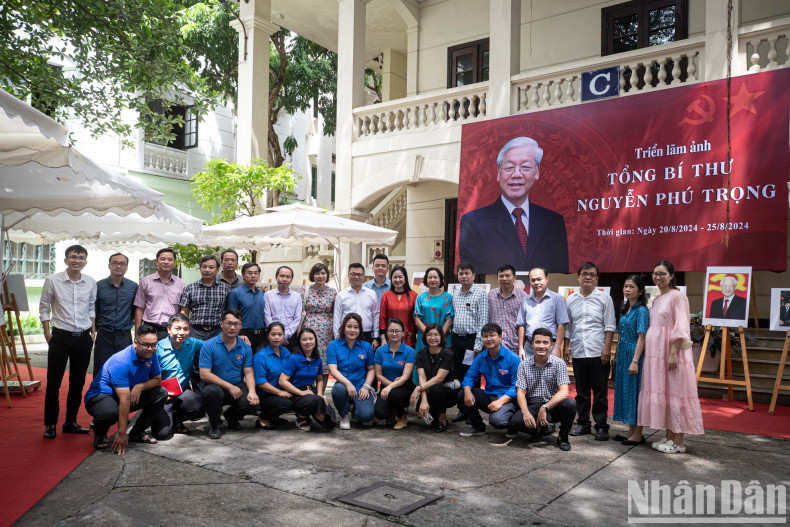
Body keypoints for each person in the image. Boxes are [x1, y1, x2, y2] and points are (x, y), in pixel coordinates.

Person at [458, 136, 569, 274]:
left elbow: (561, 270)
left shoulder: (553, 221)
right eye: (509, 167)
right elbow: (473, 273)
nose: (516, 174)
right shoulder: (473, 222)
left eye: (525, 167)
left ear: (537, 171)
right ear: (499, 172)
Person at [639, 260, 704, 454]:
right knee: (666, 393)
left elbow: (682, 327)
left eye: (662, 274)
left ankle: (679, 441)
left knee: (676, 392)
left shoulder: (678, 296)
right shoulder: (658, 298)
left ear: (671, 275)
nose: (658, 277)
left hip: (671, 353)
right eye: (655, 273)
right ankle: (669, 436)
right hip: (656, 355)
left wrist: (673, 353)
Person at [40, 244, 96, 440]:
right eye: (73, 257)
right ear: (65, 260)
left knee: (77, 383)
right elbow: (44, 307)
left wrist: (93, 331)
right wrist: (47, 334)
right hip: (60, 337)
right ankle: (50, 424)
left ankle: (70, 422)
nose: (77, 260)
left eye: (81, 257)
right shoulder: (52, 280)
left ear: (85, 262)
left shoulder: (90, 282)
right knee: (54, 383)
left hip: (83, 338)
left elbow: (91, 308)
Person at [84, 323, 167, 452]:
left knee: (161, 393)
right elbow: (125, 399)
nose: (150, 348)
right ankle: (100, 434)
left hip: (127, 394)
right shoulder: (121, 361)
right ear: (135, 342)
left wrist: (140, 386)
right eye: (146, 344)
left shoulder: (151, 354)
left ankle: (137, 432)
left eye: (154, 344)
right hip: (102, 396)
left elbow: (157, 380)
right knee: (109, 413)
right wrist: (121, 433)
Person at [565, 262, 616, 441]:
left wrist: (607, 348)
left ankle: (601, 426)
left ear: (597, 279)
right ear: (578, 277)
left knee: (600, 392)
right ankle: (583, 423)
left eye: (592, 275)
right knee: (582, 391)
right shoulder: (571, 299)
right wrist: (566, 348)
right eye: (584, 274)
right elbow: (568, 327)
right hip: (578, 351)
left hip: (598, 351)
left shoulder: (604, 299)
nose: (588, 277)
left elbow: (609, 325)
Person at [509, 328, 575, 451]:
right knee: (516, 421)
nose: (541, 346)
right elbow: (521, 392)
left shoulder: (559, 363)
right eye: (537, 342)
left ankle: (563, 437)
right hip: (533, 404)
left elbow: (564, 392)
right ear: (532, 344)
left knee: (570, 404)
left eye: (545, 343)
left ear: (551, 345)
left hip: (553, 405)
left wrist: (545, 407)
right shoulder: (524, 365)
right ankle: (538, 432)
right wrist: (525, 413)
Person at [199, 309, 259, 439]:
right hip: (215, 385)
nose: (232, 327)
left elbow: (248, 372)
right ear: (221, 324)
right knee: (211, 393)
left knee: (253, 403)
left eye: (236, 324)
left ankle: (231, 416)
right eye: (229, 323)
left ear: (241, 326)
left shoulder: (245, 347)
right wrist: (229, 386)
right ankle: (215, 424)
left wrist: (252, 391)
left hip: (237, 384)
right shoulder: (209, 345)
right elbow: (204, 375)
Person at [457, 323, 520, 437]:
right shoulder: (481, 357)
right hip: (489, 395)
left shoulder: (513, 359)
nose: (489, 339)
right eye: (485, 336)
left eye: (492, 335)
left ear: (500, 337)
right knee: (462, 393)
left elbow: (516, 387)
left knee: (497, 421)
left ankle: (513, 424)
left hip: (507, 398)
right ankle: (478, 427)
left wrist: (500, 402)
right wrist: (467, 391)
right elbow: (469, 376)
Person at [151, 314, 205, 437]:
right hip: (162, 395)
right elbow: (148, 376)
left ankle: (176, 420)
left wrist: (239, 338)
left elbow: (213, 344)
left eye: (185, 329)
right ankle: (160, 417)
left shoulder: (193, 344)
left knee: (199, 408)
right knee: (162, 434)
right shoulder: (157, 349)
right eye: (177, 328)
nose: (182, 332)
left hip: (182, 392)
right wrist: (160, 392)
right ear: (169, 329)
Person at [612, 275, 649, 446]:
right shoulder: (626, 308)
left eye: (631, 287)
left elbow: (642, 337)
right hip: (623, 353)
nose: (627, 289)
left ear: (640, 291)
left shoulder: (642, 311)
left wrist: (635, 360)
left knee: (635, 392)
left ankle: (638, 434)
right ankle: (631, 432)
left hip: (634, 354)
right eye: (625, 286)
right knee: (626, 392)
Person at [279, 328, 336, 432]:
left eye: (311, 338)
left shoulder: (317, 359)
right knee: (317, 402)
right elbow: (282, 381)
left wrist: (320, 394)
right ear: (299, 342)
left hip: (312, 392)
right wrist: (301, 393)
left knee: (331, 419)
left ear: (315, 340)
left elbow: (319, 380)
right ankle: (301, 417)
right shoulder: (294, 359)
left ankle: (306, 415)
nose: (308, 342)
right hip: (296, 393)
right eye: (304, 339)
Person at [328, 313, 375, 429]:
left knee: (365, 417)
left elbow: (371, 369)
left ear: (360, 329)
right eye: (349, 326)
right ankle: (344, 415)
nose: (352, 330)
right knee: (338, 389)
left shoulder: (366, 346)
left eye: (356, 327)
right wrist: (348, 384)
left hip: (360, 385)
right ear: (343, 328)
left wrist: (366, 386)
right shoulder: (334, 345)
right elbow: (332, 370)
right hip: (343, 384)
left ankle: (355, 410)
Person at [93, 252, 138, 377]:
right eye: (115, 263)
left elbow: (135, 310)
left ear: (126, 267)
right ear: (109, 266)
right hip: (104, 336)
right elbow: (94, 310)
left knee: (124, 370)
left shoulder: (133, 287)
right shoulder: (98, 286)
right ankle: (100, 395)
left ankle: (121, 396)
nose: (119, 266)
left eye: (122, 264)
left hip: (124, 336)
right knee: (101, 370)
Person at [409, 323, 456, 433]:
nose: (433, 338)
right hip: (430, 390)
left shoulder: (448, 353)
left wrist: (417, 389)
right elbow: (422, 377)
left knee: (436, 387)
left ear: (441, 336)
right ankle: (434, 414)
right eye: (429, 335)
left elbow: (439, 379)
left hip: (448, 392)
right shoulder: (421, 354)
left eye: (436, 335)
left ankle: (442, 418)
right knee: (421, 409)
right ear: (425, 337)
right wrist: (424, 400)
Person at [134, 247, 185, 341]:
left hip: (172, 330)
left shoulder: (181, 284)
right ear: (157, 262)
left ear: (174, 263)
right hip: (149, 328)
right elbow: (140, 308)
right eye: (162, 259)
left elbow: (183, 309)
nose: (166, 262)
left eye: (170, 259)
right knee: (148, 355)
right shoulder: (146, 282)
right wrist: (138, 331)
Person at [516, 267, 568, 359]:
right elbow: (521, 325)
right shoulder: (525, 300)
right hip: (529, 347)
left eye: (539, 279)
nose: (536, 282)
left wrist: (557, 347)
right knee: (529, 373)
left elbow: (562, 324)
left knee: (549, 373)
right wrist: (521, 348)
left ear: (547, 278)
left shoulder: (557, 299)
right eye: (533, 280)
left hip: (549, 347)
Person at [373, 318, 416, 429]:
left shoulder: (409, 351)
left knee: (394, 393)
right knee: (379, 413)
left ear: (403, 332)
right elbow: (378, 375)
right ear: (386, 332)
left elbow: (406, 376)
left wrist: (390, 387)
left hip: (404, 387)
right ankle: (391, 411)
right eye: (391, 331)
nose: (394, 333)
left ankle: (402, 417)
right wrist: (389, 386)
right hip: (386, 386)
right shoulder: (380, 351)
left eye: (397, 331)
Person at [450, 262, 488, 385]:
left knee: (471, 371)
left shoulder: (480, 293)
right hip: (456, 339)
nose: (464, 276)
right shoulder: (455, 294)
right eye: (461, 273)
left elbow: (483, 320)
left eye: (467, 273)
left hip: (471, 340)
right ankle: (460, 400)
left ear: (473, 275)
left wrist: (478, 344)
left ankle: (471, 401)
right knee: (457, 370)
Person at [253, 322, 294, 430]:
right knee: (286, 404)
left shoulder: (286, 352)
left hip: (282, 391)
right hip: (265, 395)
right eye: (273, 334)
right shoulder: (260, 356)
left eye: (280, 334)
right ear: (267, 336)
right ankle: (263, 418)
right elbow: (260, 382)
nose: (277, 337)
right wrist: (280, 392)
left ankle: (274, 417)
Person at [180, 255, 230, 341]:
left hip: (218, 331)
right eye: (204, 267)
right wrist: (184, 329)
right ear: (200, 268)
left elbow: (229, 311)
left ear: (217, 270)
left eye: (211, 267)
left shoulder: (226, 288)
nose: (207, 270)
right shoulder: (190, 288)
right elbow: (184, 311)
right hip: (195, 332)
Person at [302, 263, 337, 381]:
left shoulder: (333, 292)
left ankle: (321, 392)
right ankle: (309, 388)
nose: (320, 276)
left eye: (323, 273)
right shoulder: (305, 290)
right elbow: (299, 311)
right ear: (313, 275)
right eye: (317, 273)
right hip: (308, 329)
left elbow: (335, 313)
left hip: (326, 332)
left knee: (324, 362)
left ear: (327, 275)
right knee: (309, 357)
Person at [334, 263, 380, 348]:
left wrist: (376, 337)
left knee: (366, 360)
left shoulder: (371, 294)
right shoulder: (341, 295)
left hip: (367, 335)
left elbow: (376, 315)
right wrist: (337, 337)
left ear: (363, 276)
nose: (356, 277)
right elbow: (337, 317)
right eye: (353, 274)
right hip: (347, 335)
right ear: (348, 275)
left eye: (359, 274)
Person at [414, 267, 454, 357]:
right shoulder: (420, 297)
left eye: (435, 277)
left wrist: (438, 337)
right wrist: (429, 336)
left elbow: (450, 319)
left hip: (443, 339)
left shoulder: (448, 297)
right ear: (426, 280)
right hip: (424, 338)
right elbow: (417, 319)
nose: (432, 280)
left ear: (440, 279)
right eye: (430, 277)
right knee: (422, 364)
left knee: (442, 365)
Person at [488, 264, 527, 354]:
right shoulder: (491, 295)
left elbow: (525, 322)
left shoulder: (523, 296)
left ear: (514, 277)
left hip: (514, 344)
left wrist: (521, 346)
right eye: (501, 276)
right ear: (497, 278)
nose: (504, 279)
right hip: (494, 344)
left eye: (507, 276)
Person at [228, 262, 267, 352]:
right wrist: (236, 335)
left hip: (261, 336)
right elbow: (231, 317)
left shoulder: (262, 294)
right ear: (243, 275)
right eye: (249, 273)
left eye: (256, 273)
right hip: (243, 335)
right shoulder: (236, 293)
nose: (253, 276)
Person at [264, 266, 302, 351]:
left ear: (291, 279)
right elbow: (267, 316)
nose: (285, 279)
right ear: (276, 277)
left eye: (288, 277)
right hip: (272, 337)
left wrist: (285, 336)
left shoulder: (297, 297)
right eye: (282, 276)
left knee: (290, 362)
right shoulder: (268, 295)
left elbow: (297, 318)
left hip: (290, 338)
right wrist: (276, 335)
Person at [379, 266, 417, 348]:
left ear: (405, 278)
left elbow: (417, 318)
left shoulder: (414, 295)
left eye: (400, 277)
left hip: (409, 339)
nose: (397, 280)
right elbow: (382, 318)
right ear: (391, 279)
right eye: (395, 277)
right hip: (390, 338)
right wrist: (382, 338)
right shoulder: (386, 295)